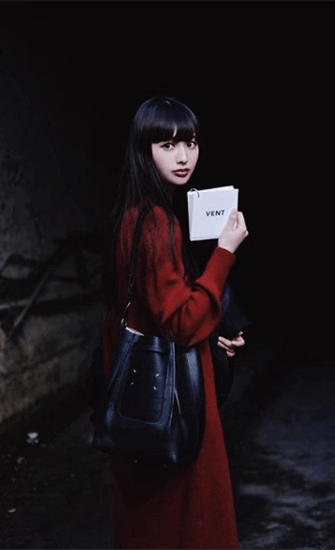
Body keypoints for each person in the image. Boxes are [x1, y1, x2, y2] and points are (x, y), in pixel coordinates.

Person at [101, 96, 248, 550]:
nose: (183, 156)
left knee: (154, 524)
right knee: (190, 522)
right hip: (171, 398)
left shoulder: (134, 215)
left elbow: (160, 312)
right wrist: (225, 251)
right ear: (144, 151)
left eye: (190, 142)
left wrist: (212, 338)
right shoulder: (155, 223)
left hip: (149, 387)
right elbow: (181, 323)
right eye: (167, 145)